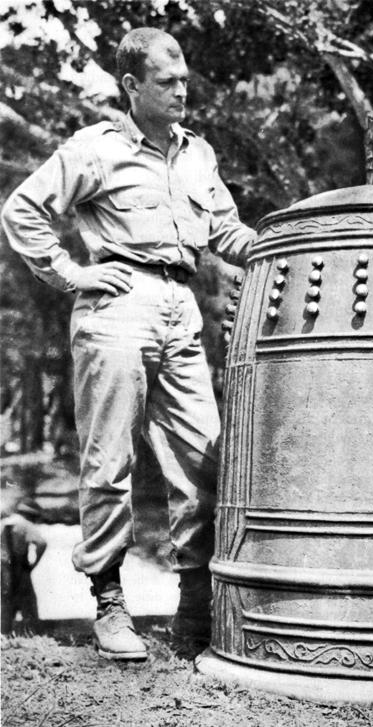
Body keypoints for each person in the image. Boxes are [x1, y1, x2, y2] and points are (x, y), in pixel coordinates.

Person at [2, 28, 256, 660]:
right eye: (166, 83)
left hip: (181, 308)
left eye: (185, 83)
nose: (180, 92)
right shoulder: (96, 147)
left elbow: (227, 232)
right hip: (116, 306)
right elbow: (22, 211)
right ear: (131, 86)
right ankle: (110, 603)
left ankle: (196, 607)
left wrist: (292, 243)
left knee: (204, 458)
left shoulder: (199, 155)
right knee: (108, 462)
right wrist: (71, 274)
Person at [1, 499, 47, 635]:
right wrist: (35, 563)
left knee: (5, 599)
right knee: (28, 601)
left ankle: (4, 633)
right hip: (19, 565)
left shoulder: (3, 523)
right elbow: (42, 544)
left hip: (3, 566)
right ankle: (32, 633)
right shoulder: (26, 525)